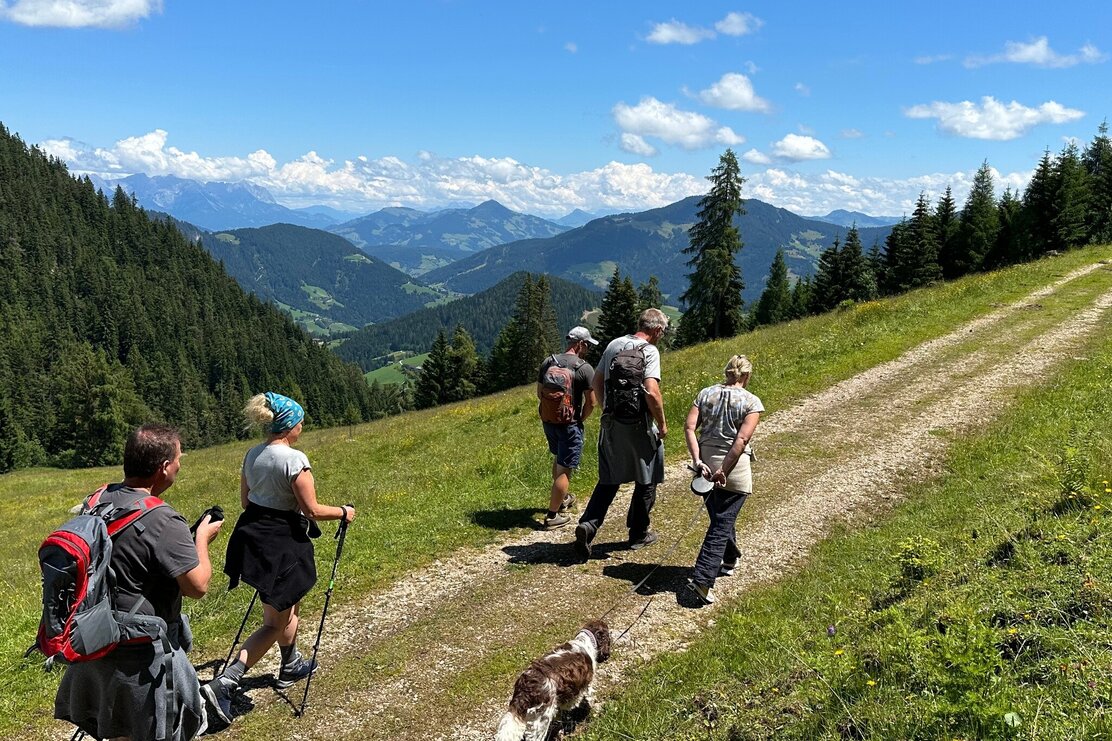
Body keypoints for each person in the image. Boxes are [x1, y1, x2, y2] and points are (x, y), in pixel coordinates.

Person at [55, 424, 224, 741]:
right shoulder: (162, 518)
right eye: (177, 461)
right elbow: (197, 586)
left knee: (118, 729)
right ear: (163, 467)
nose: (179, 466)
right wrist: (201, 538)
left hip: (95, 637)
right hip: (139, 656)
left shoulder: (98, 499)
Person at [203, 392, 356, 723]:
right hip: (281, 545)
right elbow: (311, 510)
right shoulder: (295, 461)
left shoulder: (252, 454)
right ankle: (227, 682)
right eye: (300, 421)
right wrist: (344, 512)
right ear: (290, 426)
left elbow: (245, 502)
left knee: (288, 604)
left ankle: (290, 664)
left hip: (251, 539)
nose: (302, 426)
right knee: (275, 622)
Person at [573, 308, 670, 559]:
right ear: (657, 330)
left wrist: (607, 409)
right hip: (639, 424)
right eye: (663, 331)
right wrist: (662, 423)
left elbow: (595, 381)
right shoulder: (650, 351)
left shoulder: (614, 344)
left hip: (612, 424)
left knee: (609, 478)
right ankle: (638, 533)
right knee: (647, 476)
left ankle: (589, 525)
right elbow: (651, 391)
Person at [683, 354, 763, 605]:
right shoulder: (752, 402)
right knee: (721, 524)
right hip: (733, 470)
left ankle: (730, 558)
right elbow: (741, 440)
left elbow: (689, 428)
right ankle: (703, 579)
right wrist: (725, 472)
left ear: (726, 372)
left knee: (721, 516)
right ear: (746, 376)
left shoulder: (705, 394)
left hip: (706, 466)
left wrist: (698, 461)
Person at [536, 326, 598, 529]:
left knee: (558, 459)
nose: (587, 348)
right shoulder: (583, 368)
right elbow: (592, 402)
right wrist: (580, 418)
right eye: (587, 344)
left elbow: (540, 393)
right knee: (565, 469)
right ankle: (552, 516)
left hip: (549, 421)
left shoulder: (549, 361)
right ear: (579, 344)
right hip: (569, 424)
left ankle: (562, 499)